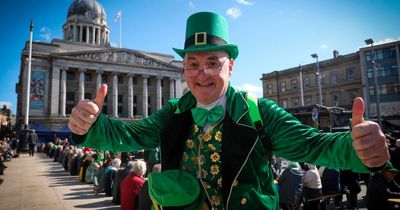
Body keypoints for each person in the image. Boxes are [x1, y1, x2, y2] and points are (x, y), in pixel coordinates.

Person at [68, 11, 390, 210]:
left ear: (231, 66)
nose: (202, 73)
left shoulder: (258, 113)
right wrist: (91, 125)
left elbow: (314, 144)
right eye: (193, 64)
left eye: (213, 63)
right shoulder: (174, 113)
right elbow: (131, 133)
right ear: (184, 70)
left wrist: (358, 149)